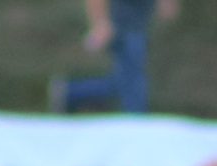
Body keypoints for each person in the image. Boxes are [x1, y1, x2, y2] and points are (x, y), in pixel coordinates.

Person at [49, 0, 179, 114]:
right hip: (122, 27)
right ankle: (136, 122)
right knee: (134, 84)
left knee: (129, 81)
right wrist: (101, 24)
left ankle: (71, 92)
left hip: (137, 27)